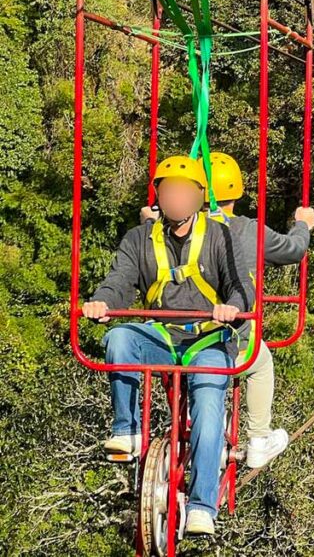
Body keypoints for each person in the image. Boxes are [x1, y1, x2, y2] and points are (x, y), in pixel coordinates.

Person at [83, 156, 251, 537]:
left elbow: (243, 287)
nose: (174, 198)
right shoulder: (139, 238)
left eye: (182, 192)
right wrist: (103, 301)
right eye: (168, 191)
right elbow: (119, 279)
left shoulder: (221, 236)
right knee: (120, 338)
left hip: (207, 337)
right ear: (158, 195)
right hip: (161, 334)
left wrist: (234, 308)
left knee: (208, 409)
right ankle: (128, 430)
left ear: (198, 197)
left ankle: (202, 505)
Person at [141, 151, 314, 469]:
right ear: (235, 193)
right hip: (225, 342)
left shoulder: (166, 229)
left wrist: (148, 220)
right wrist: (302, 225)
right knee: (260, 363)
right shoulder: (247, 231)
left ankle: (185, 417)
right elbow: (294, 250)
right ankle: (259, 438)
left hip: (169, 338)